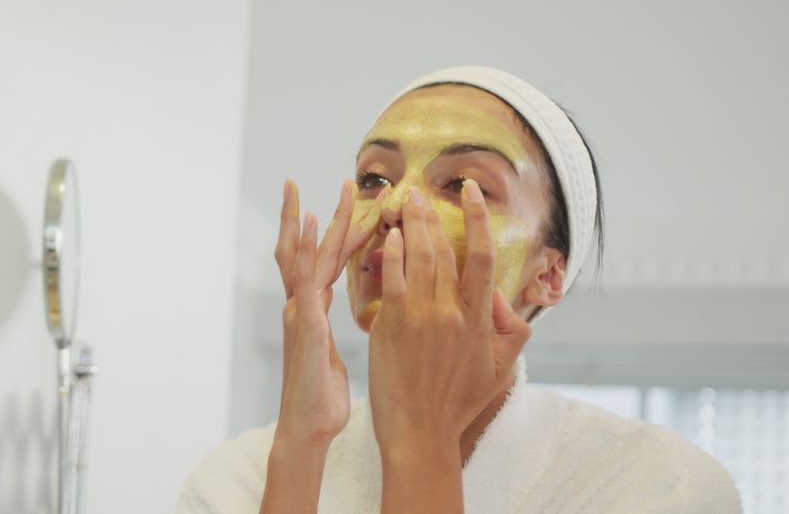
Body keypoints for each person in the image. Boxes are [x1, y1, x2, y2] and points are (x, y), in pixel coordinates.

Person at [176, 66, 742, 513]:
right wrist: (301, 446)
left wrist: (422, 440)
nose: (395, 208)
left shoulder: (661, 485)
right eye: (376, 178)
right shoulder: (242, 473)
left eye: (464, 184)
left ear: (548, 274)